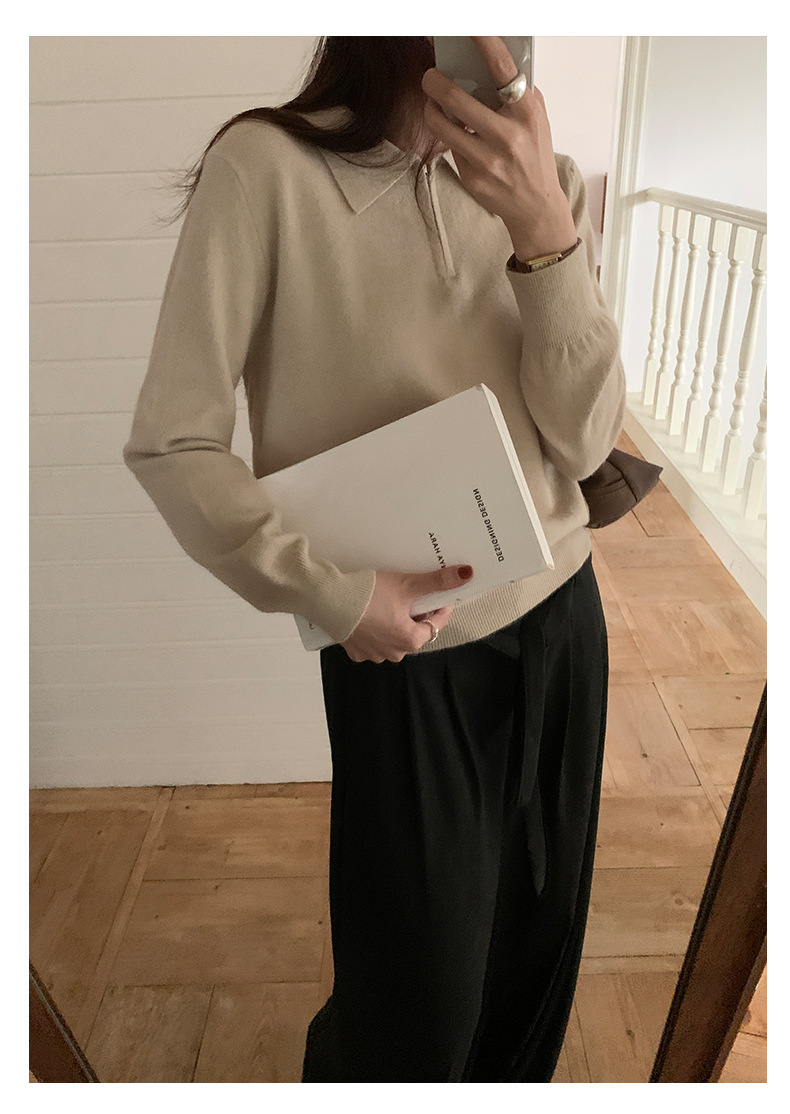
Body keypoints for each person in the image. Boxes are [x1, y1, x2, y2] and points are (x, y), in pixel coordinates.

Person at [124, 36, 626, 1082]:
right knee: (412, 1017)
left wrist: (545, 232)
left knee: (532, 972)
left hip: (564, 622)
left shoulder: (550, 181)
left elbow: (584, 446)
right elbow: (173, 443)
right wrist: (334, 596)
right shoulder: (264, 170)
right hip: (401, 654)